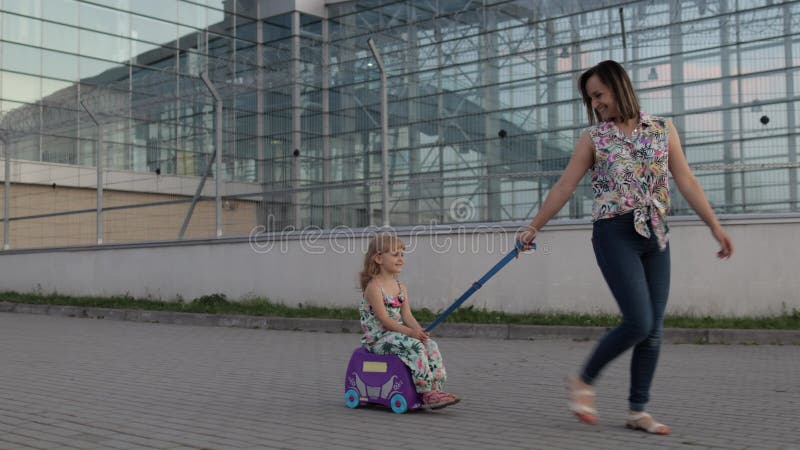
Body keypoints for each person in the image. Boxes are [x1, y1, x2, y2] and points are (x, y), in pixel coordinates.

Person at [518, 60, 733, 434]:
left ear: (620, 86)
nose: (596, 103)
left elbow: (686, 180)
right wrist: (534, 226)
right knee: (639, 320)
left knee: (653, 330)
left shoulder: (663, 129)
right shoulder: (594, 138)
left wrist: (715, 226)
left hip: (656, 235)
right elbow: (564, 186)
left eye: (599, 94)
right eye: (591, 99)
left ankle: (637, 410)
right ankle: (584, 379)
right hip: (614, 233)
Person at [358, 233, 460, 409]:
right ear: (379, 258)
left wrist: (419, 332)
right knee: (415, 346)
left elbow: (407, 316)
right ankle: (426, 392)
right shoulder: (374, 287)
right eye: (395, 254)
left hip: (395, 335)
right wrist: (410, 334)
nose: (400, 259)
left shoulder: (401, 287)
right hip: (378, 339)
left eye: (402, 255)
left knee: (430, 345)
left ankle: (436, 389)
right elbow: (384, 321)